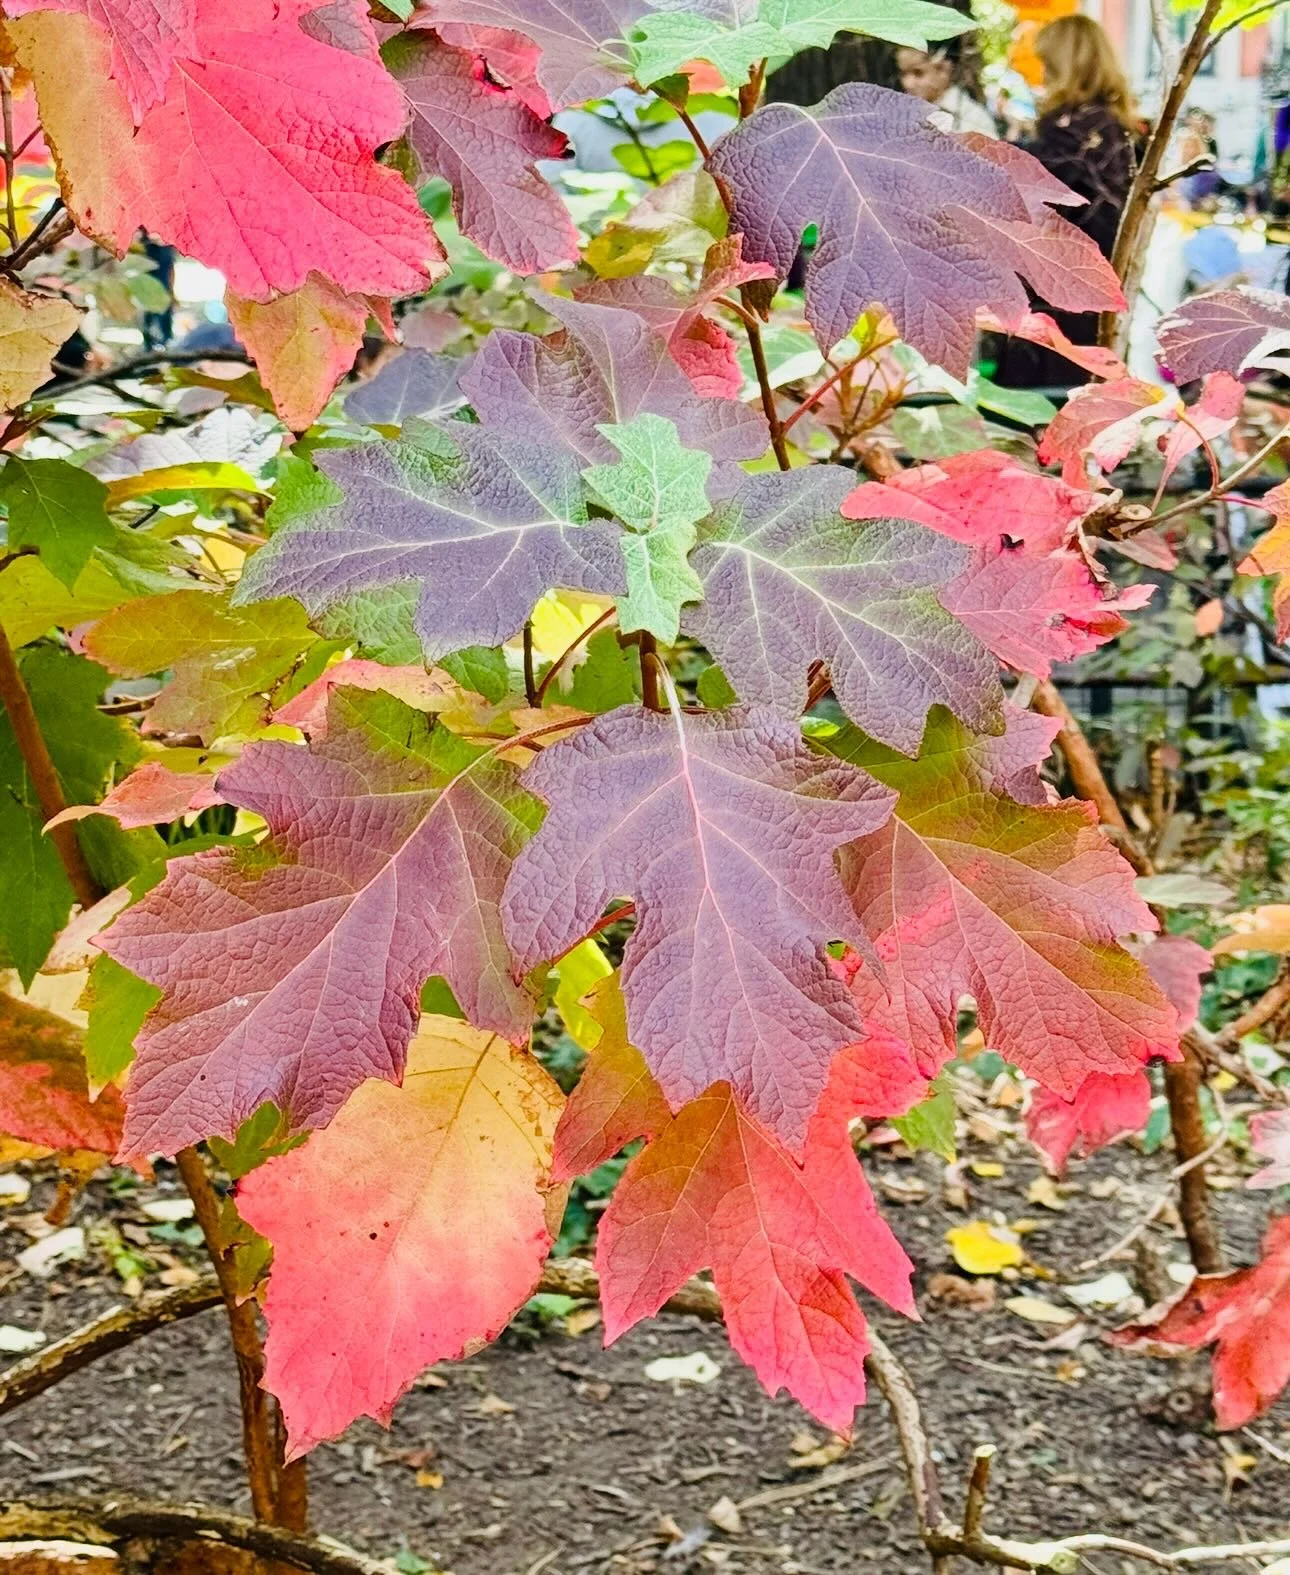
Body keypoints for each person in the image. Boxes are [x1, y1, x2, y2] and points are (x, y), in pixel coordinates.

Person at [993, 14, 1137, 388]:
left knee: (1040, 403)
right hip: (1095, 284)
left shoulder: (1070, 131)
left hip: (1054, 293)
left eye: (1046, 64)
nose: (1039, 76)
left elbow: (1033, 202)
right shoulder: (1115, 126)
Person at [896, 40, 998, 136]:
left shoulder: (974, 119)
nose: (907, 83)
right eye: (903, 74)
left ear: (943, 69)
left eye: (918, 73)